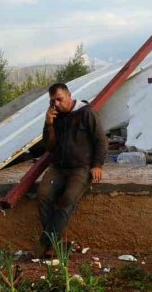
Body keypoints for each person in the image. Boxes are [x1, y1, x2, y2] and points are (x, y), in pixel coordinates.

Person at [34, 83, 107, 257]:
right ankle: (55, 243)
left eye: (59, 99)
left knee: (67, 200)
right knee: (43, 195)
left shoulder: (86, 113)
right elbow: (50, 146)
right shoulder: (56, 116)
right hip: (58, 167)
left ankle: (45, 242)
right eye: (53, 101)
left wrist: (97, 165)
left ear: (69, 95)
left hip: (81, 168)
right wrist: (49, 124)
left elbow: (100, 140)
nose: (56, 104)